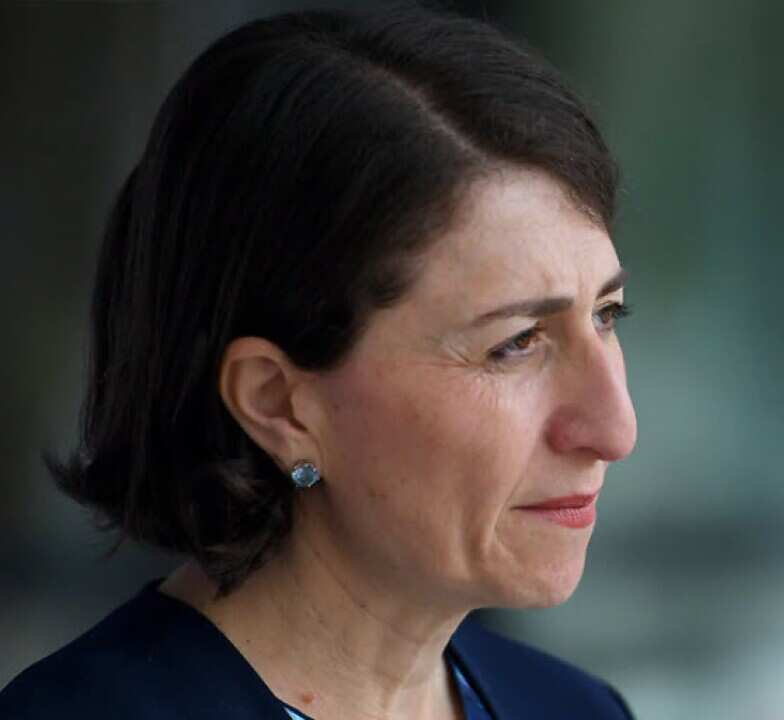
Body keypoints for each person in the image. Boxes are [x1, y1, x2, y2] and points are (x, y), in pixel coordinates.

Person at [0, 6, 637, 720]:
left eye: (606, 315)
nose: (615, 430)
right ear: (278, 404)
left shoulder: (574, 708)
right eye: (514, 343)